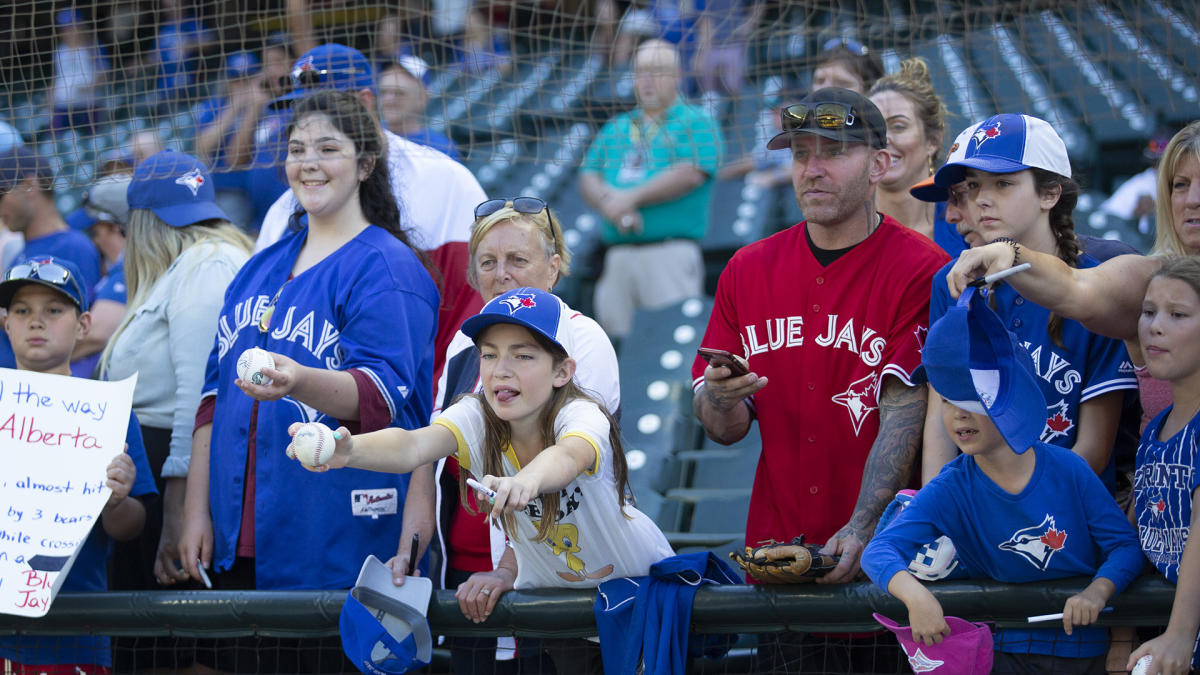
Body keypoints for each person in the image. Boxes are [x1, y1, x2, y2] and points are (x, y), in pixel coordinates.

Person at [176, 90, 439, 674]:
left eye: (328, 147)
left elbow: (382, 399)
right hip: (236, 542)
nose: (309, 162)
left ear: (365, 163)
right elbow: (211, 401)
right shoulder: (258, 267)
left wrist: (297, 379)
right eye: (297, 149)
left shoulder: (388, 267)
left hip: (333, 541)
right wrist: (196, 513)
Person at [691, 87, 949, 673]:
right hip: (781, 571)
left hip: (893, 570)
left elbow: (905, 410)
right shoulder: (747, 270)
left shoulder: (921, 269)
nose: (812, 168)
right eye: (800, 152)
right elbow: (722, 427)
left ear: (880, 164)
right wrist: (720, 398)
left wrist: (864, 529)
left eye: (833, 151)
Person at [288, 286, 673, 675]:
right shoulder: (476, 414)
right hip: (563, 616)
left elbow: (570, 454)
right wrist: (348, 450)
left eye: (522, 355)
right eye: (489, 354)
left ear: (562, 371)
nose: (500, 369)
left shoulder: (582, 413)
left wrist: (527, 480)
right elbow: (413, 446)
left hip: (641, 602)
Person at [863, 284, 1144, 674]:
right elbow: (878, 552)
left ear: (1010, 396)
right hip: (1002, 651)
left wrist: (1099, 590)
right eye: (946, 401)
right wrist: (916, 598)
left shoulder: (1070, 470)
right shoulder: (950, 486)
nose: (958, 416)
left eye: (971, 401)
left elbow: (1125, 547)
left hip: (1086, 651)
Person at [401, 197, 619, 674]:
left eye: (518, 260)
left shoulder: (583, 340)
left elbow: (572, 454)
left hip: (554, 583)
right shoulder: (465, 342)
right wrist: (411, 549)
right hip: (468, 581)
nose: (502, 274)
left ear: (553, 268)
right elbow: (432, 451)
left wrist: (508, 570)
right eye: (488, 262)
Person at [923, 114, 1138, 490]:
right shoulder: (951, 281)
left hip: (1071, 510)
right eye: (972, 186)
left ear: (1049, 193)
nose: (981, 199)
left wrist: (1018, 507)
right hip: (975, 506)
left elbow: (1093, 449)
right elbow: (941, 412)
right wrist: (936, 509)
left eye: (1003, 183)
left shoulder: (1097, 282)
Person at [254, 43, 486, 388]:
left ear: (365, 102)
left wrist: (440, 412)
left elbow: (475, 308)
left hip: (418, 413)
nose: (308, 120)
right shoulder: (282, 211)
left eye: (324, 107)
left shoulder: (444, 180)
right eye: (300, 108)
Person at [946, 120, 1200, 431]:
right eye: (1180, 184)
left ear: (1050, 194)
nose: (1192, 199)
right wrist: (1010, 252)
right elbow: (1076, 287)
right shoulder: (1151, 277)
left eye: (1002, 183)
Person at [100, 151, 252, 593]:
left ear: (142, 220)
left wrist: (178, 513)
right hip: (149, 473)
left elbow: (199, 398)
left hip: (173, 473)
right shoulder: (188, 264)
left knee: (172, 643)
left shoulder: (207, 262)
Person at [0, 256, 156, 675]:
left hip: (73, 633)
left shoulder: (111, 413)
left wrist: (117, 499)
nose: (36, 322)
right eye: (22, 310)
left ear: (84, 324)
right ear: (5, 323)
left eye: (54, 310)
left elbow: (130, 527)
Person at [579, 39, 722, 341]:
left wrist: (628, 199)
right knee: (614, 354)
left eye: (657, 71)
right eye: (640, 72)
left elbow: (690, 173)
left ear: (677, 76)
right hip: (617, 255)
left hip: (669, 254)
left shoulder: (698, 121)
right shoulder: (616, 126)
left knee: (668, 345)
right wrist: (610, 204)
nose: (646, 79)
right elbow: (588, 175)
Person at [1127, 258, 1200, 675]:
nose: (1155, 326)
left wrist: (1180, 633)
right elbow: (1135, 537)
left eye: (1178, 315)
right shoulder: (1155, 428)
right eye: (1149, 311)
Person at [0, 146, 103, 370]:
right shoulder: (19, 252)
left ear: (29, 185)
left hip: (43, 394)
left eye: (1, 193)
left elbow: (81, 335)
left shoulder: (73, 247)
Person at [868, 58, 966, 257]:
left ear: (932, 141)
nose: (883, 139)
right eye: (872, 128)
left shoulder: (967, 222)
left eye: (898, 126)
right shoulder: (844, 230)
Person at [192, 50, 274, 230]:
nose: (241, 85)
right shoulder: (215, 105)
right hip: (224, 189)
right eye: (236, 79)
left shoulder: (268, 105)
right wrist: (234, 107)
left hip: (259, 189)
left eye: (247, 78)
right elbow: (202, 146)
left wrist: (253, 107)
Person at [378, 57, 460, 161]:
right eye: (383, 92)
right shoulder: (368, 136)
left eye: (399, 93)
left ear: (423, 98)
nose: (388, 100)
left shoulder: (440, 148)